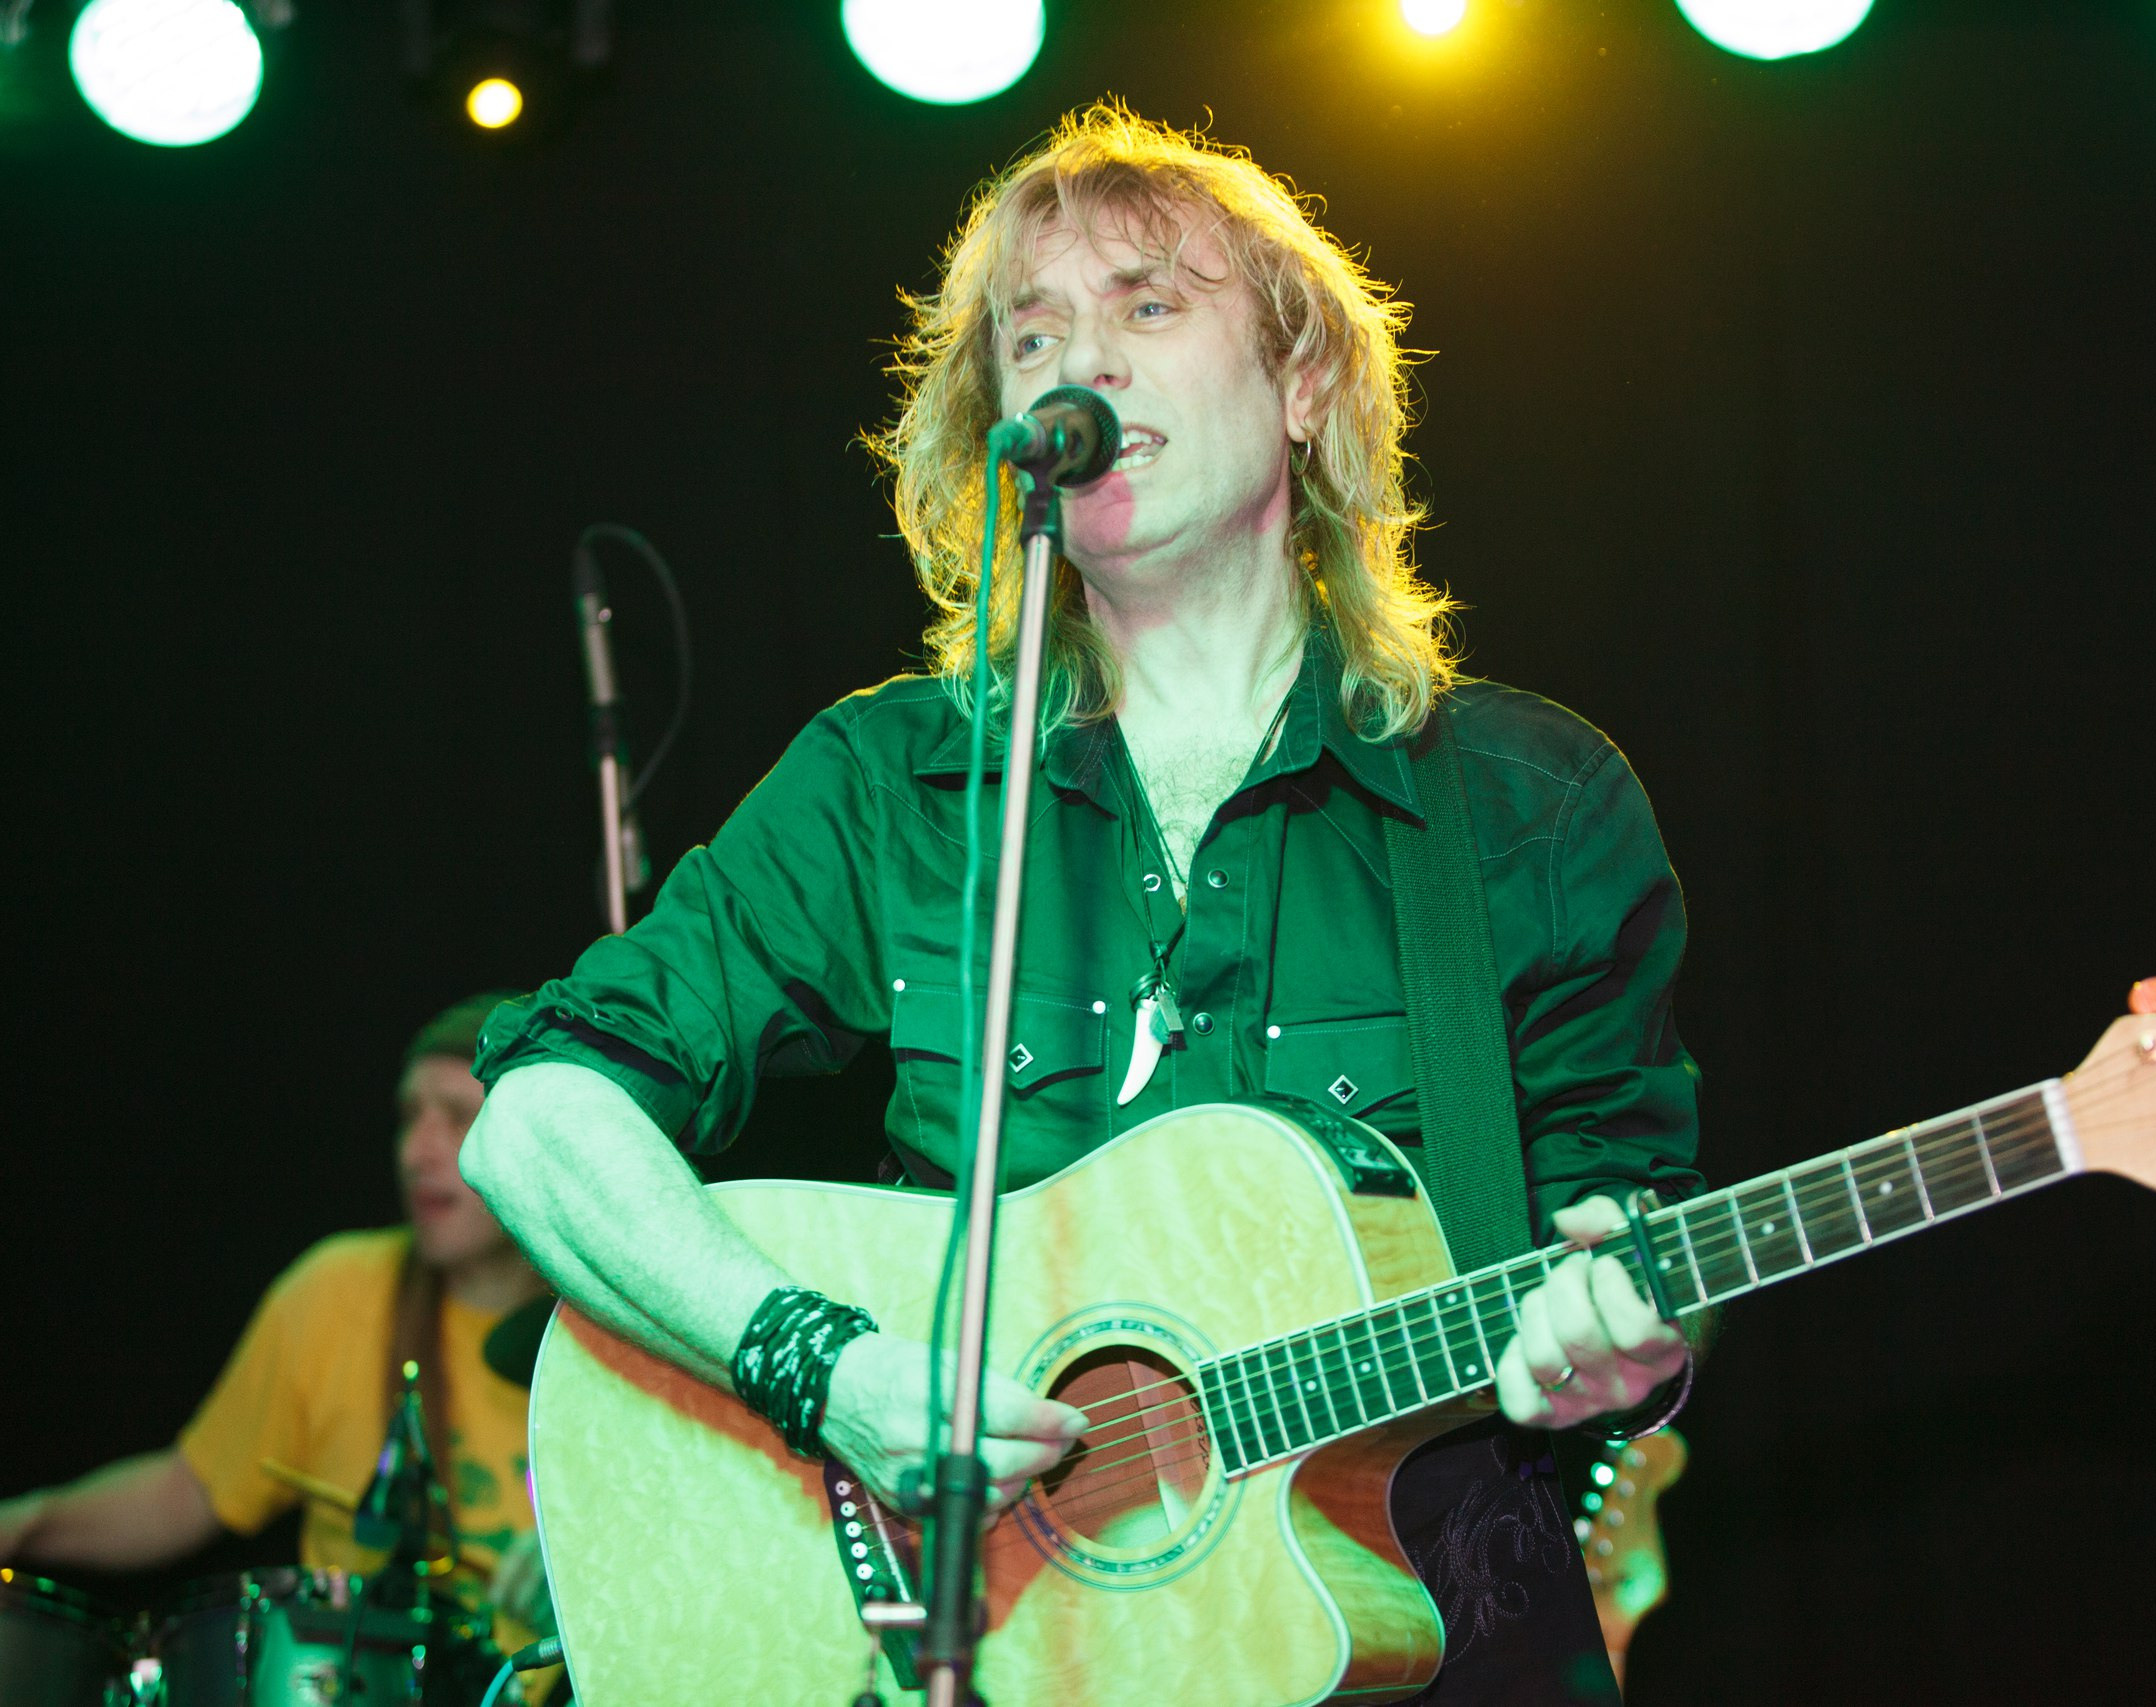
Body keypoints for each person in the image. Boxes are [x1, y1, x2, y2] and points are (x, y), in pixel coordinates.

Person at [461, 102, 1708, 1704]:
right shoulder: (893, 784)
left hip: (1425, 1647)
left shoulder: (1528, 801)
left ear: (1306, 383)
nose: (1079, 361)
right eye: (1031, 329)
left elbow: (1634, 1228)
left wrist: (1624, 1334)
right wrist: (823, 1368)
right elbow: (536, 1121)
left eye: (1148, 304)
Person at [0, 993, 554, 1635]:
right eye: (409, 1117)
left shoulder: (606, 1329)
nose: (416, 1153)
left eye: (456, 1118)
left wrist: (588, 1575)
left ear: (533, 1144)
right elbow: (188, 1493)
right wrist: (27, 1522)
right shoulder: (336, 1291)